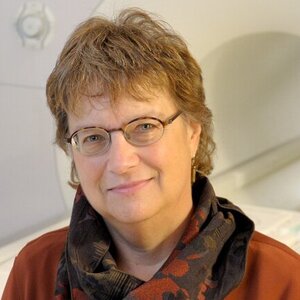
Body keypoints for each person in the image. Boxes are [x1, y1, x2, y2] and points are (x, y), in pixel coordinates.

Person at [3, 8, 300, 300]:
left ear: (192, 134)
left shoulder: (280, 281)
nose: (121, 162)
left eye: (145, 126)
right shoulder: (35, 270)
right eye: (93, 137)